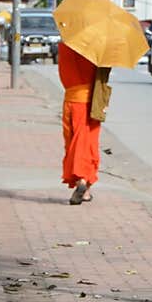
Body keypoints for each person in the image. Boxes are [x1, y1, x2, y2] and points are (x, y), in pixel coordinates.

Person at [57, 41, 110, 204]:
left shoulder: (64, 46)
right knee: (87, 143)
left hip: (70, 100)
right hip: (89, 103)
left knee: (72, 141)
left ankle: (85, 189)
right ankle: (82, 179)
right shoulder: (95, 50)